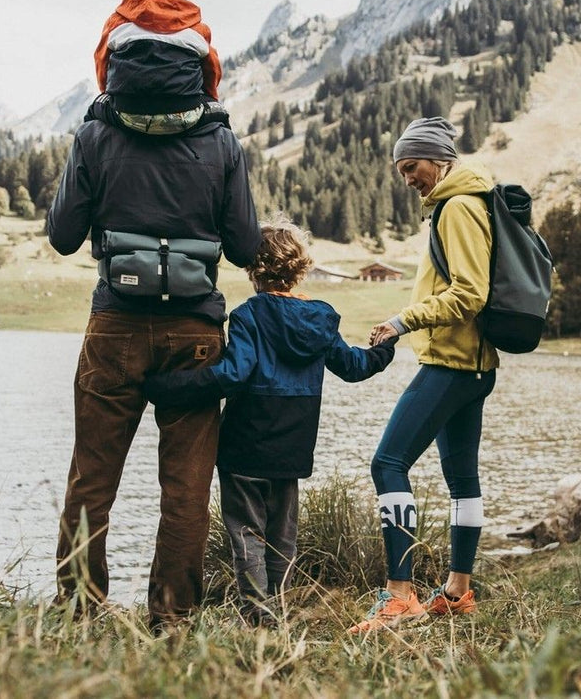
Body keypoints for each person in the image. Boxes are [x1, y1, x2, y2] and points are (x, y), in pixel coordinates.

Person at [47, 0, 262, 633]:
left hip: (114, 323)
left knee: (92, 478)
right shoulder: (220, 137)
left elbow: (63, 235)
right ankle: (172, 622)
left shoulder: (97, 129)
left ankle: (80, 611)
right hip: (196, 331)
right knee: (186, 489)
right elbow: (245, 244)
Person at [143, 216, 397, 626]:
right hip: (293, 444)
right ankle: (273, 612)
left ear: (253, 269)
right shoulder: (320, 318)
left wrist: (168, 386)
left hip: (246, 442)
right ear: (301, 268)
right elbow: (353, 366)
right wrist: (384, 350)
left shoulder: (249, 316)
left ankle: (258, 613)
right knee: (283, 536)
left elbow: (231, 374)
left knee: (246, 532)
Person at [349, 117, 499, 634]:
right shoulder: (463, 202)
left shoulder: (458, 207)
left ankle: (400, 595)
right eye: (401, 170)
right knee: (463, 482)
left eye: (411, 167)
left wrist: (400, 320)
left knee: (387, 463)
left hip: (453, 365)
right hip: (472, 367)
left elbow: (469, 294)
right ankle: (458, 591)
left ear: (438, 159)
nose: (407, 178)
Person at [94, 0, 223, 135]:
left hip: (127, 112)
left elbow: (102, 64)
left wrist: (107, 93)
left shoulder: (117, 22)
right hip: (185, 113)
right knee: (220, 118)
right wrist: (209, 98)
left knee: (93, 111)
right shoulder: (195, 26)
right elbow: (212, 70)